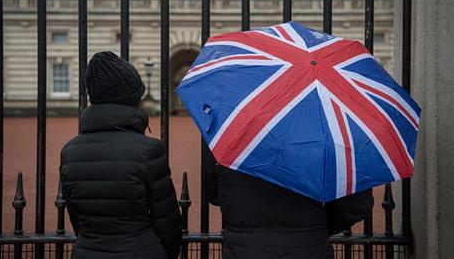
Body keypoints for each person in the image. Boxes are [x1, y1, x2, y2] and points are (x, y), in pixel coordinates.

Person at [60, 51, 182, 259]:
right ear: (132, 99)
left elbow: (77, 218)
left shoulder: (70, 151)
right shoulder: (150, 150)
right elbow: (167, 221)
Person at [204, 148, 373, 259]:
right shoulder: (327, 137)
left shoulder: (230, 137)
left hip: (243, 250)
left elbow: (213, 194)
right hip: (310, 248)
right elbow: (356, 204)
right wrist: (317, 225)